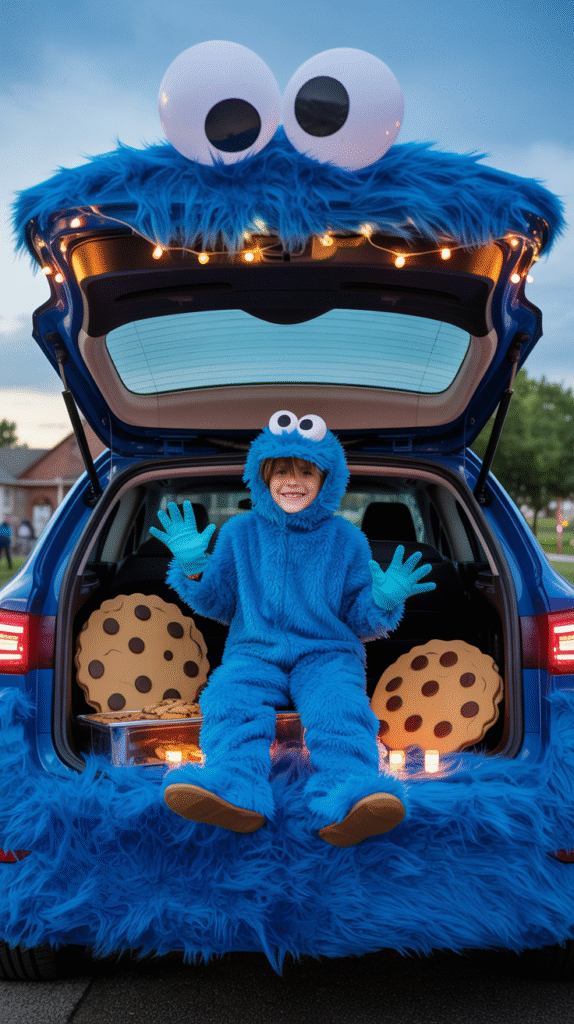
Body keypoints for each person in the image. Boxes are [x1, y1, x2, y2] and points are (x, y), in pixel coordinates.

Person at [151, 411, 435, 846]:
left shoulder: (347, 540)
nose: (293, 480)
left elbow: (361, 620)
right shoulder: (238, 533)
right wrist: (192, 568)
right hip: (254, 651)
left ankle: (349, 797)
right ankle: (234, 790)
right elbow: (219, 603)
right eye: (281, 470)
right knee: (228, 697)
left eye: (306, 471)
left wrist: (384, 598)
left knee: (340, 707)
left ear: (327, 479)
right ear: (262, 476)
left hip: (327, 654)